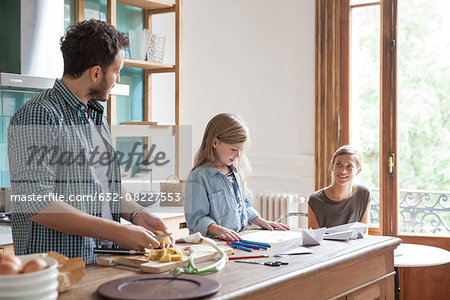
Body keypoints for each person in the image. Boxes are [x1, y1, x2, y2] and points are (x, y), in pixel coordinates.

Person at [7, 19, 169, 264]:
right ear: (95, 73)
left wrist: (136, 214)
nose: (117, 80)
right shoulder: (40, 114)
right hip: (58, 267)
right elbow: (37, 202)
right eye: (116, 71)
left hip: (102, 261)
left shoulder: (94, 115)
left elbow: (104, 184)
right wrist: (117, 231)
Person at [184, 113, 289, 241]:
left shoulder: (234, 171)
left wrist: (260, 221)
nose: (238, 155)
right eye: (234, 149)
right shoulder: (199, 176)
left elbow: (242, 205)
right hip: (213, 245)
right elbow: (196, 219)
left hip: (237, 241)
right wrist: (219, 230)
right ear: (215, 142)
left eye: (241, 149)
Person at [308, 145, 372, 230]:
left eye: (349, 166)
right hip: (327, 244)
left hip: (357, 243)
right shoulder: (315, 200)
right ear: (332, 167)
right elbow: (314, 240)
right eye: (339, 164)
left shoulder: (364, 195)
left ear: (358, 171)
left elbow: (363, 234)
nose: (343, 171)